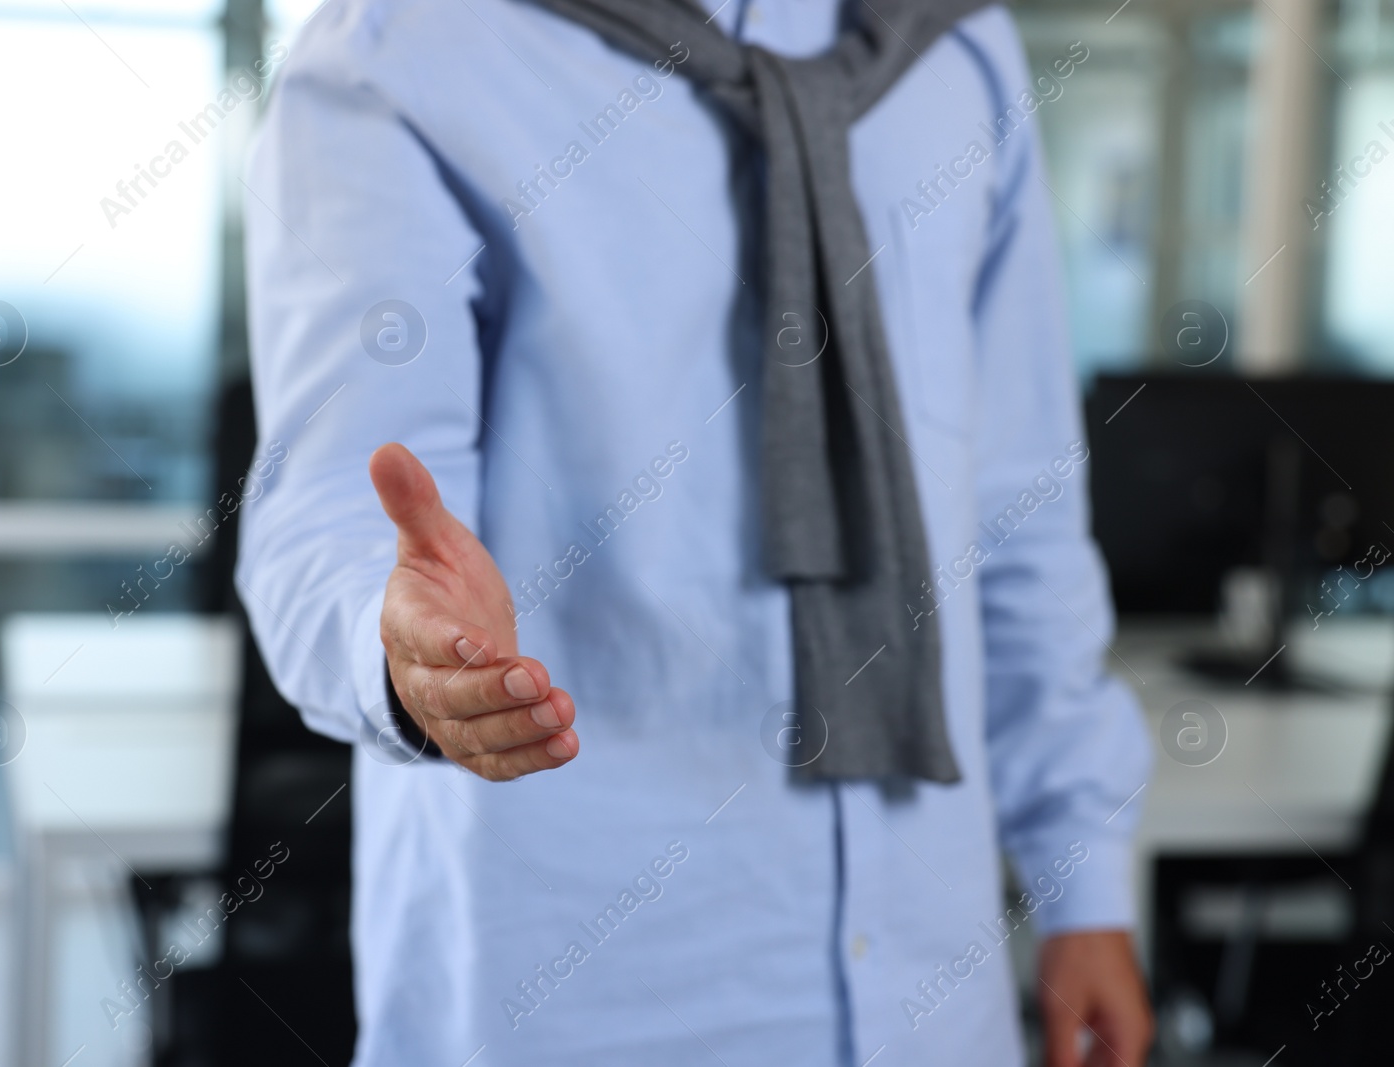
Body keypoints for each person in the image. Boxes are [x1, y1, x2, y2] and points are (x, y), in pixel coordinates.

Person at [238, 1, 1154, 1064]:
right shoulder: (409, 43)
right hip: (574, 987)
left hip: (933, 989)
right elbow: (340, 506)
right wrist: (401, 645)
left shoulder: (957, 47)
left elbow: (1018, 505)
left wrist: (1080, 878)